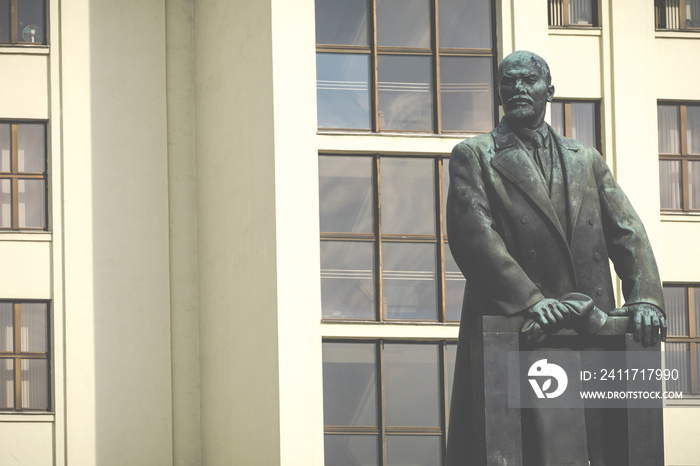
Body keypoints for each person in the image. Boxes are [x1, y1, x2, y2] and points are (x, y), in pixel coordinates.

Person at [445, 51, 666, 465]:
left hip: (592, 327)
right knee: (535, 451)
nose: (517, 89)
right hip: (521, 327)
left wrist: (646, 298)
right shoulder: (474, 155)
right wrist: (532, 300)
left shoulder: (586, 159)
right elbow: (474, 235)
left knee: (605, 446)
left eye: (528, 80)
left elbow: (628, 231)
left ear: (549, 91)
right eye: (508, 82)